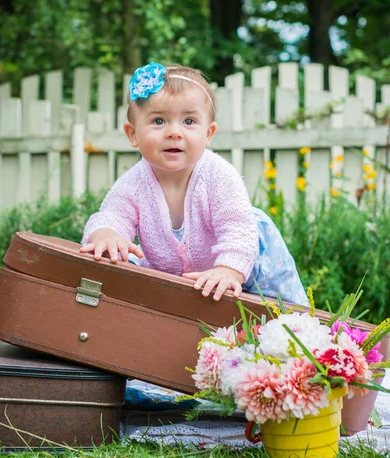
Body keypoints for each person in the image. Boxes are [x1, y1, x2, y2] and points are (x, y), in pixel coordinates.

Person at [81, 62, 307, 305]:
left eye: (188, 121)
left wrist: (229, 270)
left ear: (208, 134)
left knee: (278, 314)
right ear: (133, 134)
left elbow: (238, 229)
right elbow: (113, 214)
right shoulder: (133, 184)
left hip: (252, 261)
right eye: (159, 121)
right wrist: (106, 233)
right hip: (182, 276)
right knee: (125, 262)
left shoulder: (218, 175)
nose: (174, 132)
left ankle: (293, 328)